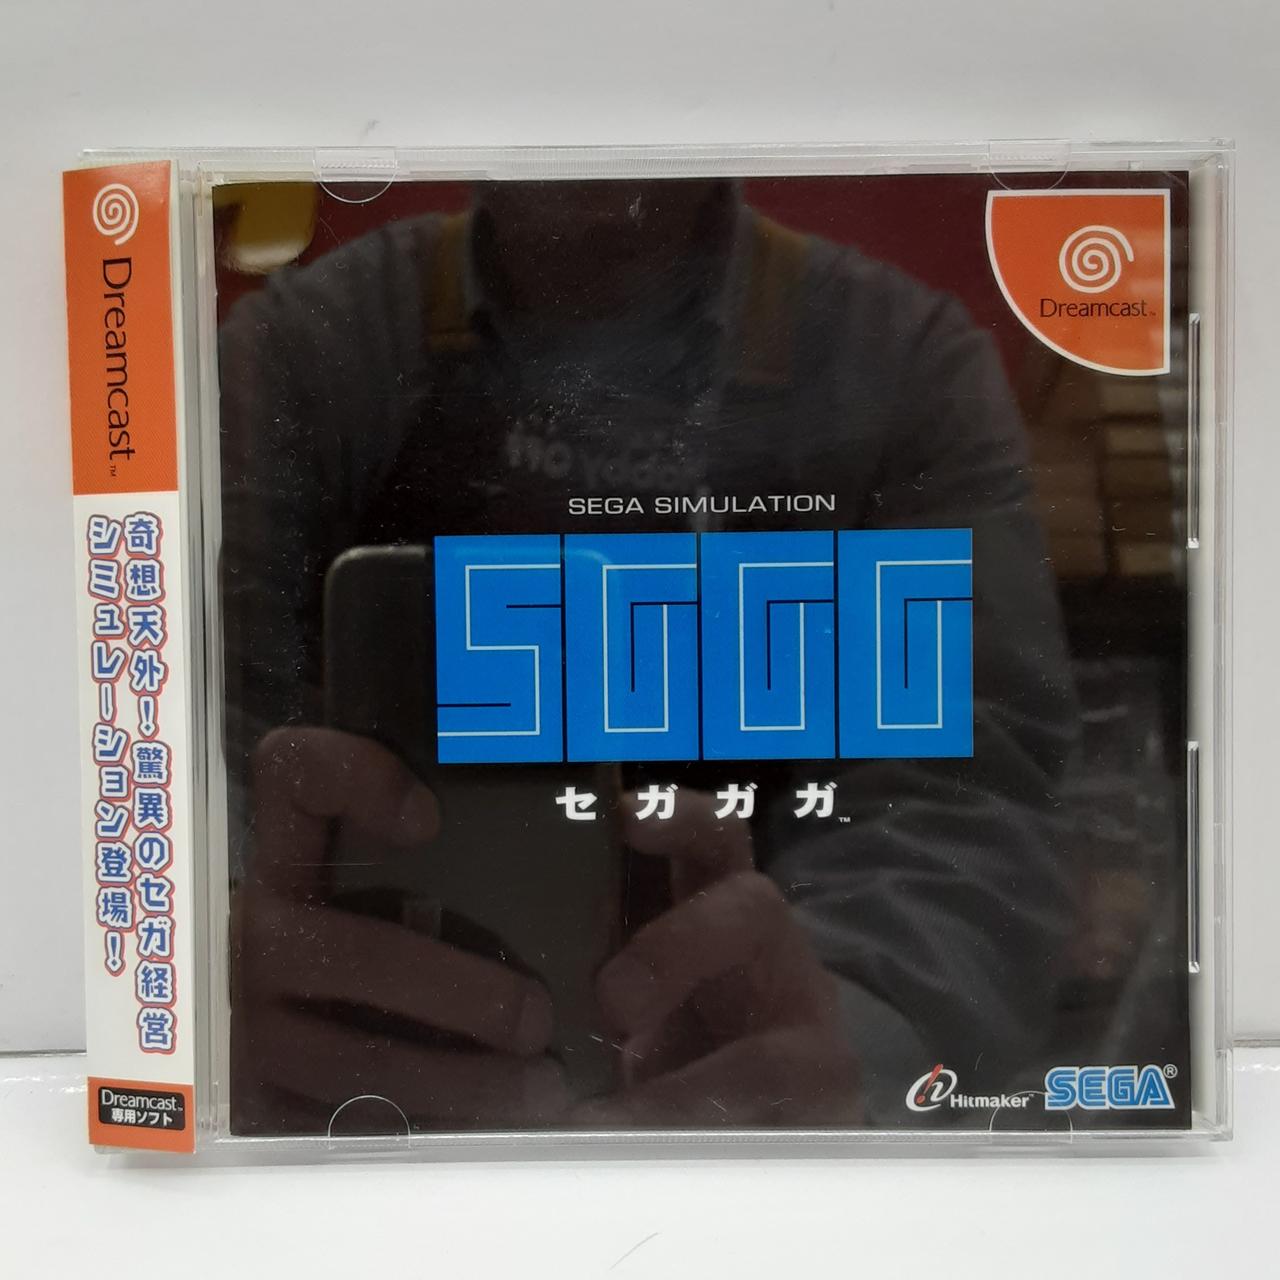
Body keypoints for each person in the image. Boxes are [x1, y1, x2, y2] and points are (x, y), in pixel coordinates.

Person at [219, 177, 1077, 1134]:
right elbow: (195, 759)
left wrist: (824, 1052)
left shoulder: (908, 364)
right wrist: (223, 980)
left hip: (672, 1108)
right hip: (370, 1091)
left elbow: (965, 803)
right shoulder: (301, 349)